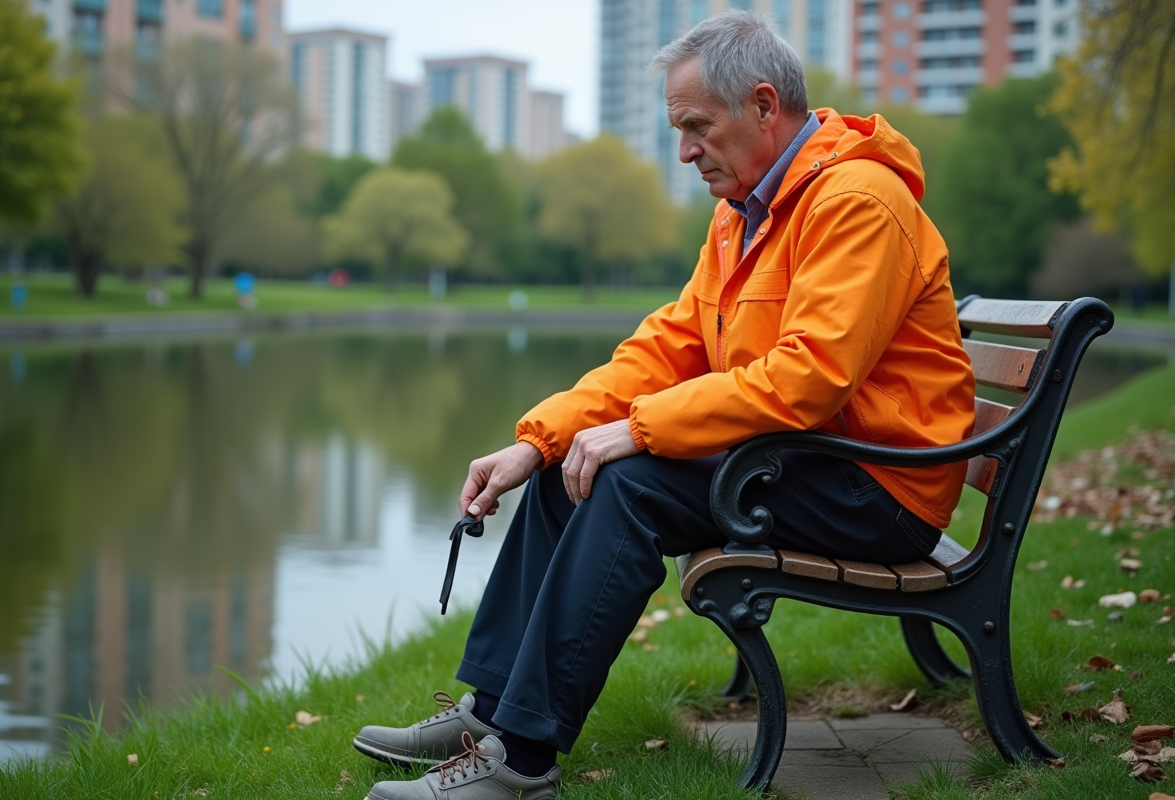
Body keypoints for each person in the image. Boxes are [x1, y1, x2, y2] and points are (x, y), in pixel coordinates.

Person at [354, 10, 975, 800]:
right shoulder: (742, 215)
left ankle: (522, 760)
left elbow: (810, 376)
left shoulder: (855, 200)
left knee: (627, 481)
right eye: (678, 129)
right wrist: (538, 440)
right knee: (564, 471)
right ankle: (489, 712)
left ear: (761, 105)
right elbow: (664, 347)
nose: (684, 151)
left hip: (880, 487)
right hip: (809, 461)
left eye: (695, 127)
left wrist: (638, 431)